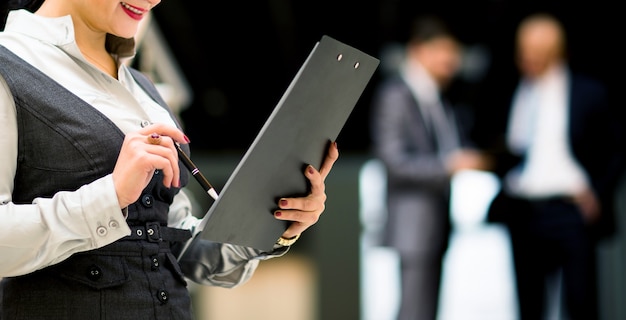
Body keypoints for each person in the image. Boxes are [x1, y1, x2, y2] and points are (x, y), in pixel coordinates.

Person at [0, 0, 339, 319]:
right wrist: (112, 196)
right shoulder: (8, 66)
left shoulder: (143, 90)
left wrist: (276, 221)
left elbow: (175, 245)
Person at [482, 12, 622, 320]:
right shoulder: (511, 91)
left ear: (555, 51)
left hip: (570, 210)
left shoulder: (588, 92)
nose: (528, 59)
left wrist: (597, 192)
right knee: (529, 304)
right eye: (524, 51)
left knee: (581, 302)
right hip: (523, 210)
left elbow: (613, 150)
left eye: (537, 52)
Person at [370, 15, 489, 320]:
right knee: (413, 310)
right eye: (443, 50)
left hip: (435, 221)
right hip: (413, 222)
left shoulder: (437, 97)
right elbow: (394, 162)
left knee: (426, 309)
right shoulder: (397, 95)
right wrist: (449, 166)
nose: (451, 59)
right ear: (419, 50)